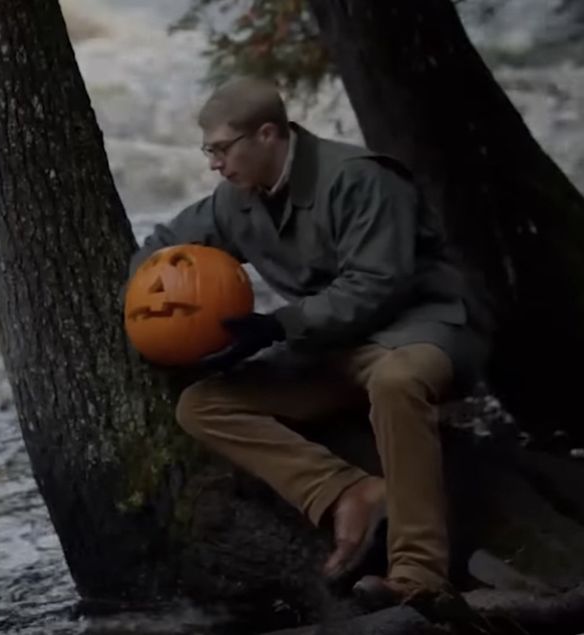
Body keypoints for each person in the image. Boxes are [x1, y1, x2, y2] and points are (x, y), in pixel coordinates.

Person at [127, 76, 493, 606]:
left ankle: (419, 574)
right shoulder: (234, 201)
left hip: (420, 329)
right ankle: (349, 492)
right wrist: (150, 305)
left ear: (268, 135)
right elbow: (160, 250)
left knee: (396, 384)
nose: (214, 164)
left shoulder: (359, 179)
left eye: (222, 149)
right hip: (328, 346)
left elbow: (377, 284)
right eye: (208, 151)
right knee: (203, 404)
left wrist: (278, 326)